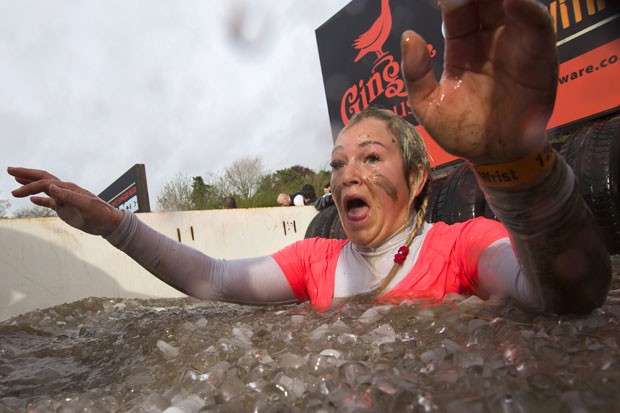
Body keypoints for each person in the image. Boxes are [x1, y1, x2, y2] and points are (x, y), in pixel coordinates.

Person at [8, 0, 611, 315]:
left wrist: (518, 168)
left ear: (419, 176)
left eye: (371, 158)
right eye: (338, 163)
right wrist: (114, 225)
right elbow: (213, 279)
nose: (348, 173)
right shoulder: (317, 263)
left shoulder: (463, 247)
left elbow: (567, 297)